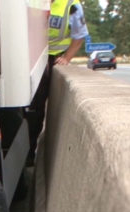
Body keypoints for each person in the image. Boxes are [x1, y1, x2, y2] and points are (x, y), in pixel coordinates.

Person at [28, 0, 90, 151]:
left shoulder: (71, 5)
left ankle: (30, 152)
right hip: (31, 55)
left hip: (53, 57)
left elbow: (80, 35)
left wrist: (67, 58)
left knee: (37, 107)